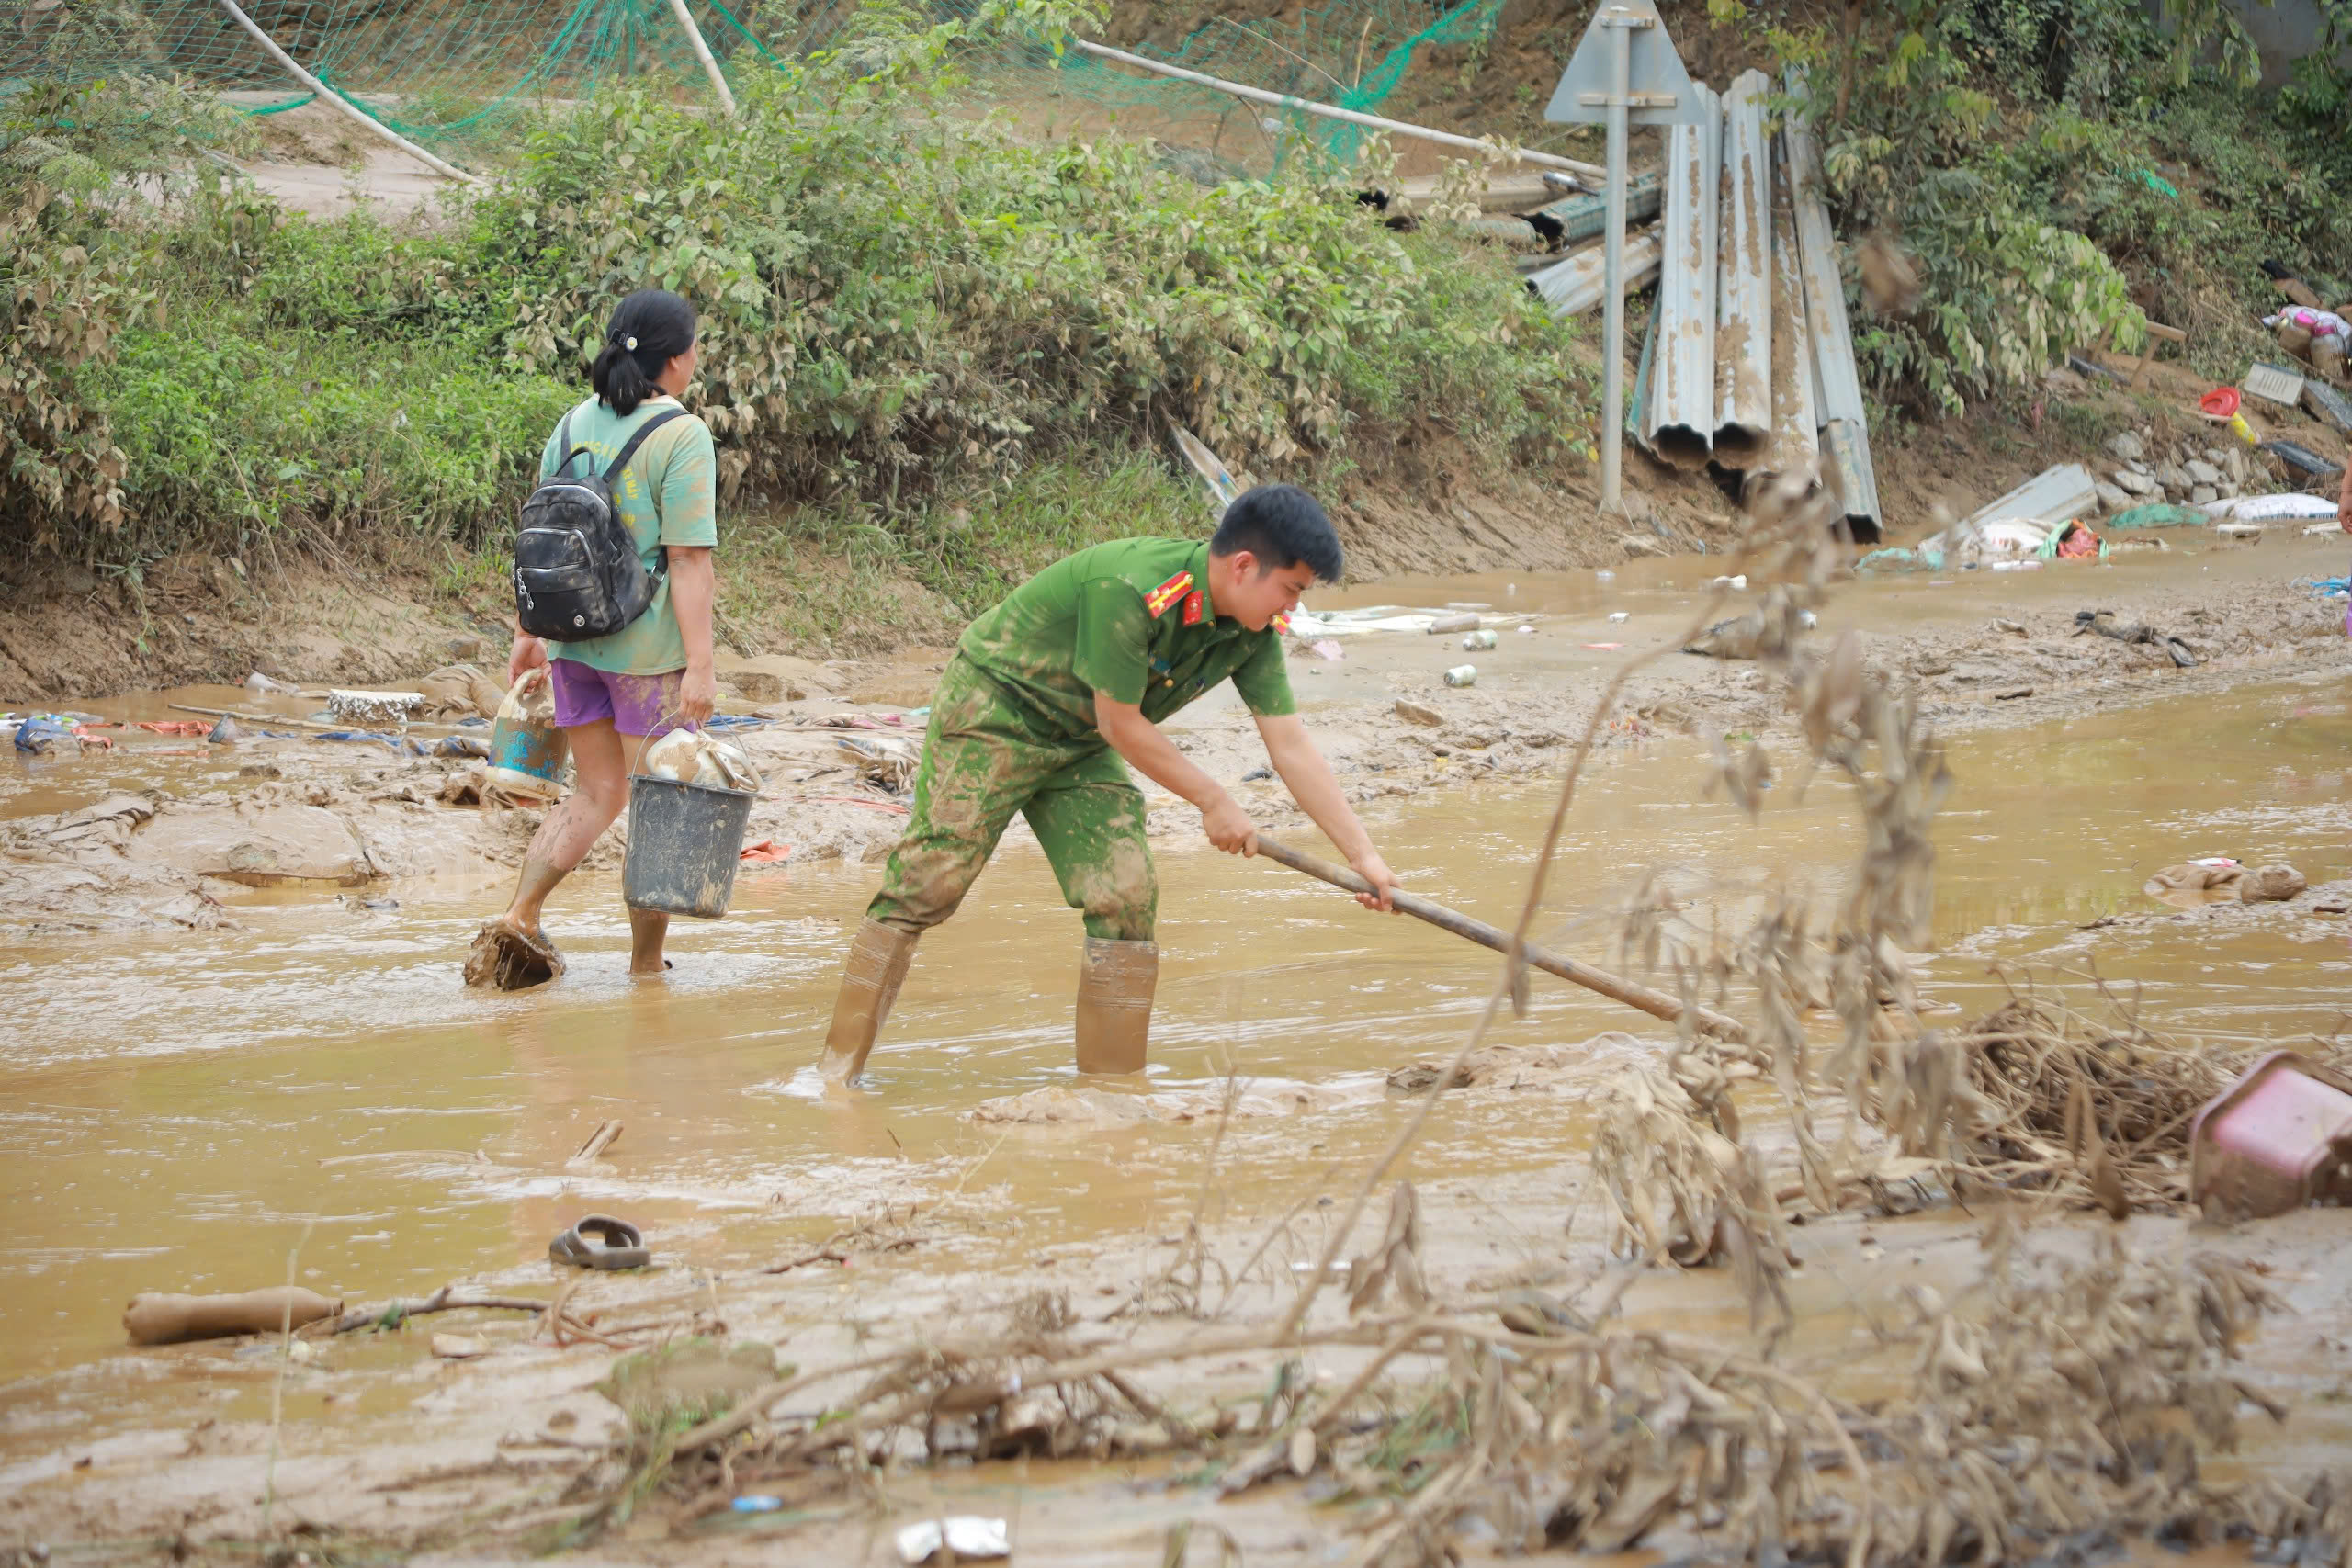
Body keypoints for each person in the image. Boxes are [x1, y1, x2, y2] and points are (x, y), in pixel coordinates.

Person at [816, 484, 1399, 1086]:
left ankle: (1115, 1094)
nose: (1292, 612)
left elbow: (1291, 746)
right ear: (1245, 566)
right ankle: (833, 1078)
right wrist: (1214, 800)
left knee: (1125, 896)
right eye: (1292, 591)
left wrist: (1365, 857)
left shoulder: (1250, 633)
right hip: (996, 709)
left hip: (1078, 742)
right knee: (929, 881)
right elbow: (1120, 722)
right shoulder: (1134, 590)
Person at [464, 289, 719, 990]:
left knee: (596, 793)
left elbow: (541, 538)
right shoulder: (682, 435)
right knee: (657, 803)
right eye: (695, 346)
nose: (697, 357)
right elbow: (689, 560)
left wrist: (528, 633)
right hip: (648, 657)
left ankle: (520, 912)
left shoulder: (574, 422)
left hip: (574, 645)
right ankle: (644, 966)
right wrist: (699, 664)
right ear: (676, 358)